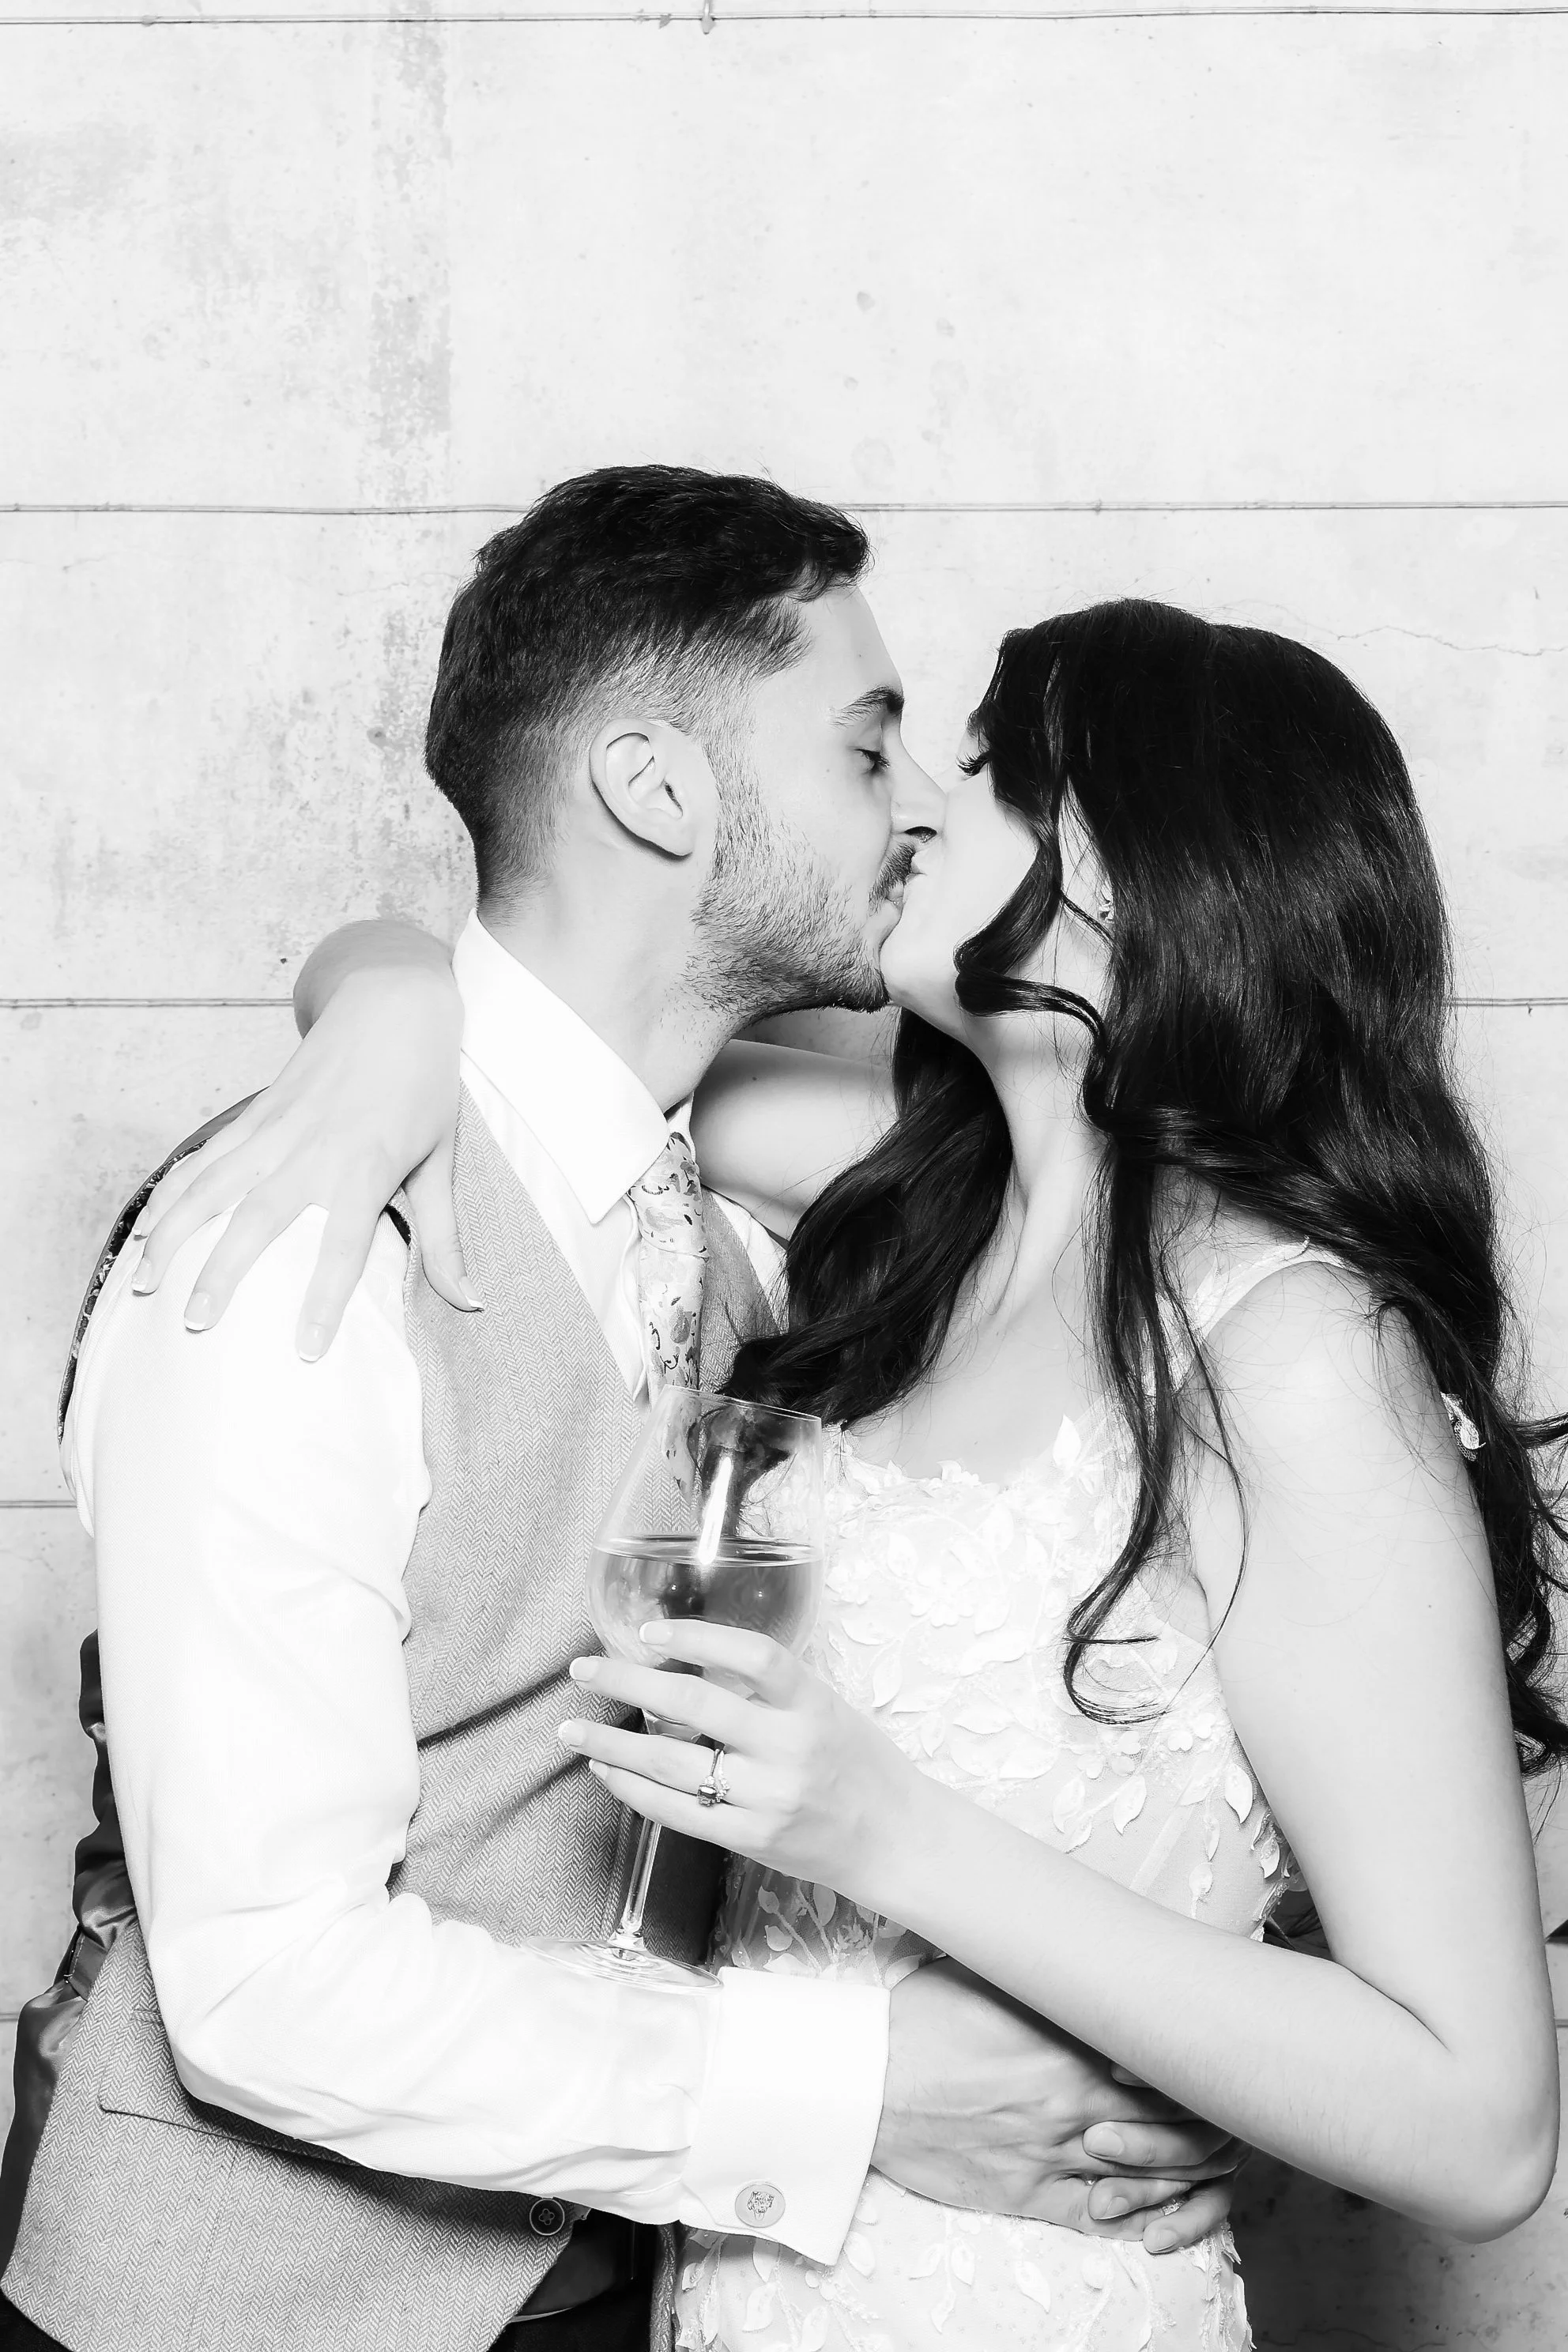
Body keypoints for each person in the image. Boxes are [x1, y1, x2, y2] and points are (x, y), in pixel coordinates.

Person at [131, 596, 1568, 2349]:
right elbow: (544, 1036)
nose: (901, 810)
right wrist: (377, 1015)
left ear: (1131, 858)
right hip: (739, 2260)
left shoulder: (1285, 1348)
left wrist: (884, 1832)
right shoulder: (907, 1204)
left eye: (966, 773)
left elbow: (1483, 2130)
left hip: (1022, 2284)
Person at [0, 477, 1240, 2352]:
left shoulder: (733, 1208)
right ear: (659, 792)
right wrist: (861, 2088)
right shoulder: (300, 1250)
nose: (916, 807)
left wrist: (378, 981)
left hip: (624, 2276)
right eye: (864, 740)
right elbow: (262, 1982)